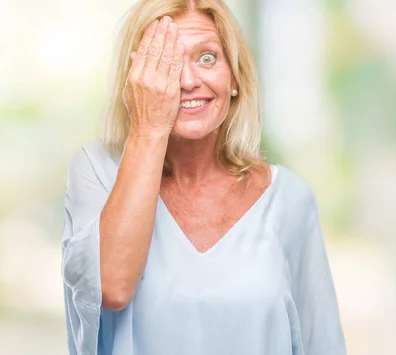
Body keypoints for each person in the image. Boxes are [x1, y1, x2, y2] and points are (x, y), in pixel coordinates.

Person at [60, 1, 346, 354]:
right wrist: (149, 127)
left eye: (207, 58)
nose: (189, 80)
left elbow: (322, 344)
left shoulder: (290, 198)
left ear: (235, 77)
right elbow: (112, 288)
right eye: (165, 63)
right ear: (136, 81)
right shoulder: (94, 171)